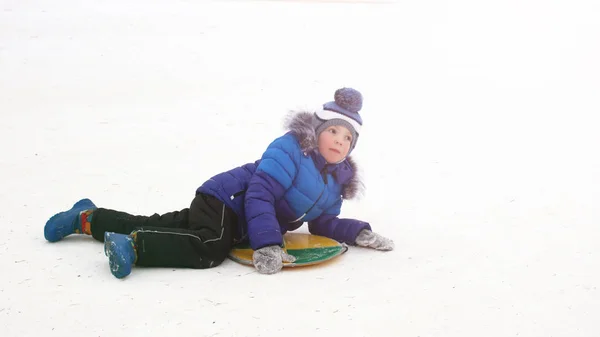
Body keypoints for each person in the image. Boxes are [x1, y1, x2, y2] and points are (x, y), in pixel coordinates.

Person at [44, 87, 394, 279]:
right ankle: (134, 247)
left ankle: (87, 217)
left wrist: (357, 232)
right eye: (332, 130)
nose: (338, 140)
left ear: (351, 148)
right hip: (227, 199)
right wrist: (268, 244)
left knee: (161, 223)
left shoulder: (336, 182)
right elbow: (258, 195)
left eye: (347, 137)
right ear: (317, 131)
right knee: (210, 246)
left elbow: (322, 224)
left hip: (238, 219)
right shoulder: (291, 150)